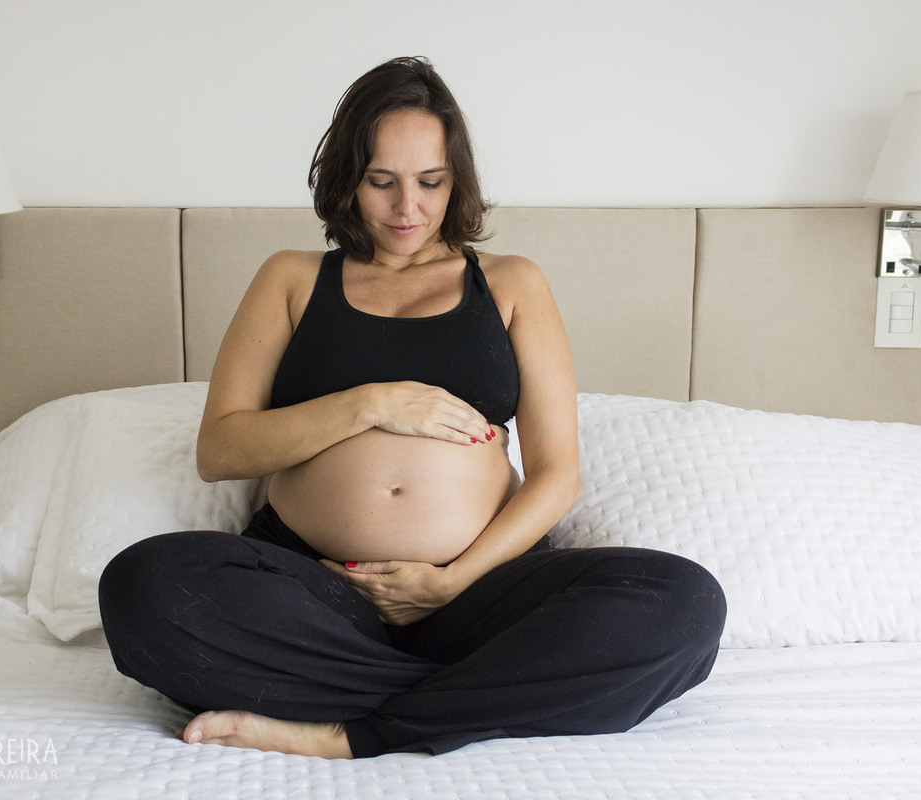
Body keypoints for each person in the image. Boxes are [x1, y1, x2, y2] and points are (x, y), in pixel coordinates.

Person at [98, 56, 726, 759]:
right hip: (317, 592)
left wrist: (450, 580)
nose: (408, 209)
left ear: (457, 178)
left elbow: (558, 476)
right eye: (382, 182)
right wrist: (371, 404)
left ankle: (350, 732)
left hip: (479, 590)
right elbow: (222, 451)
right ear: (347, 178)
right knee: (141, 587)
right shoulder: (291, 279)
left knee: (686, 603)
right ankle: (483, 696)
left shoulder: (514, 284)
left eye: (431, 182)